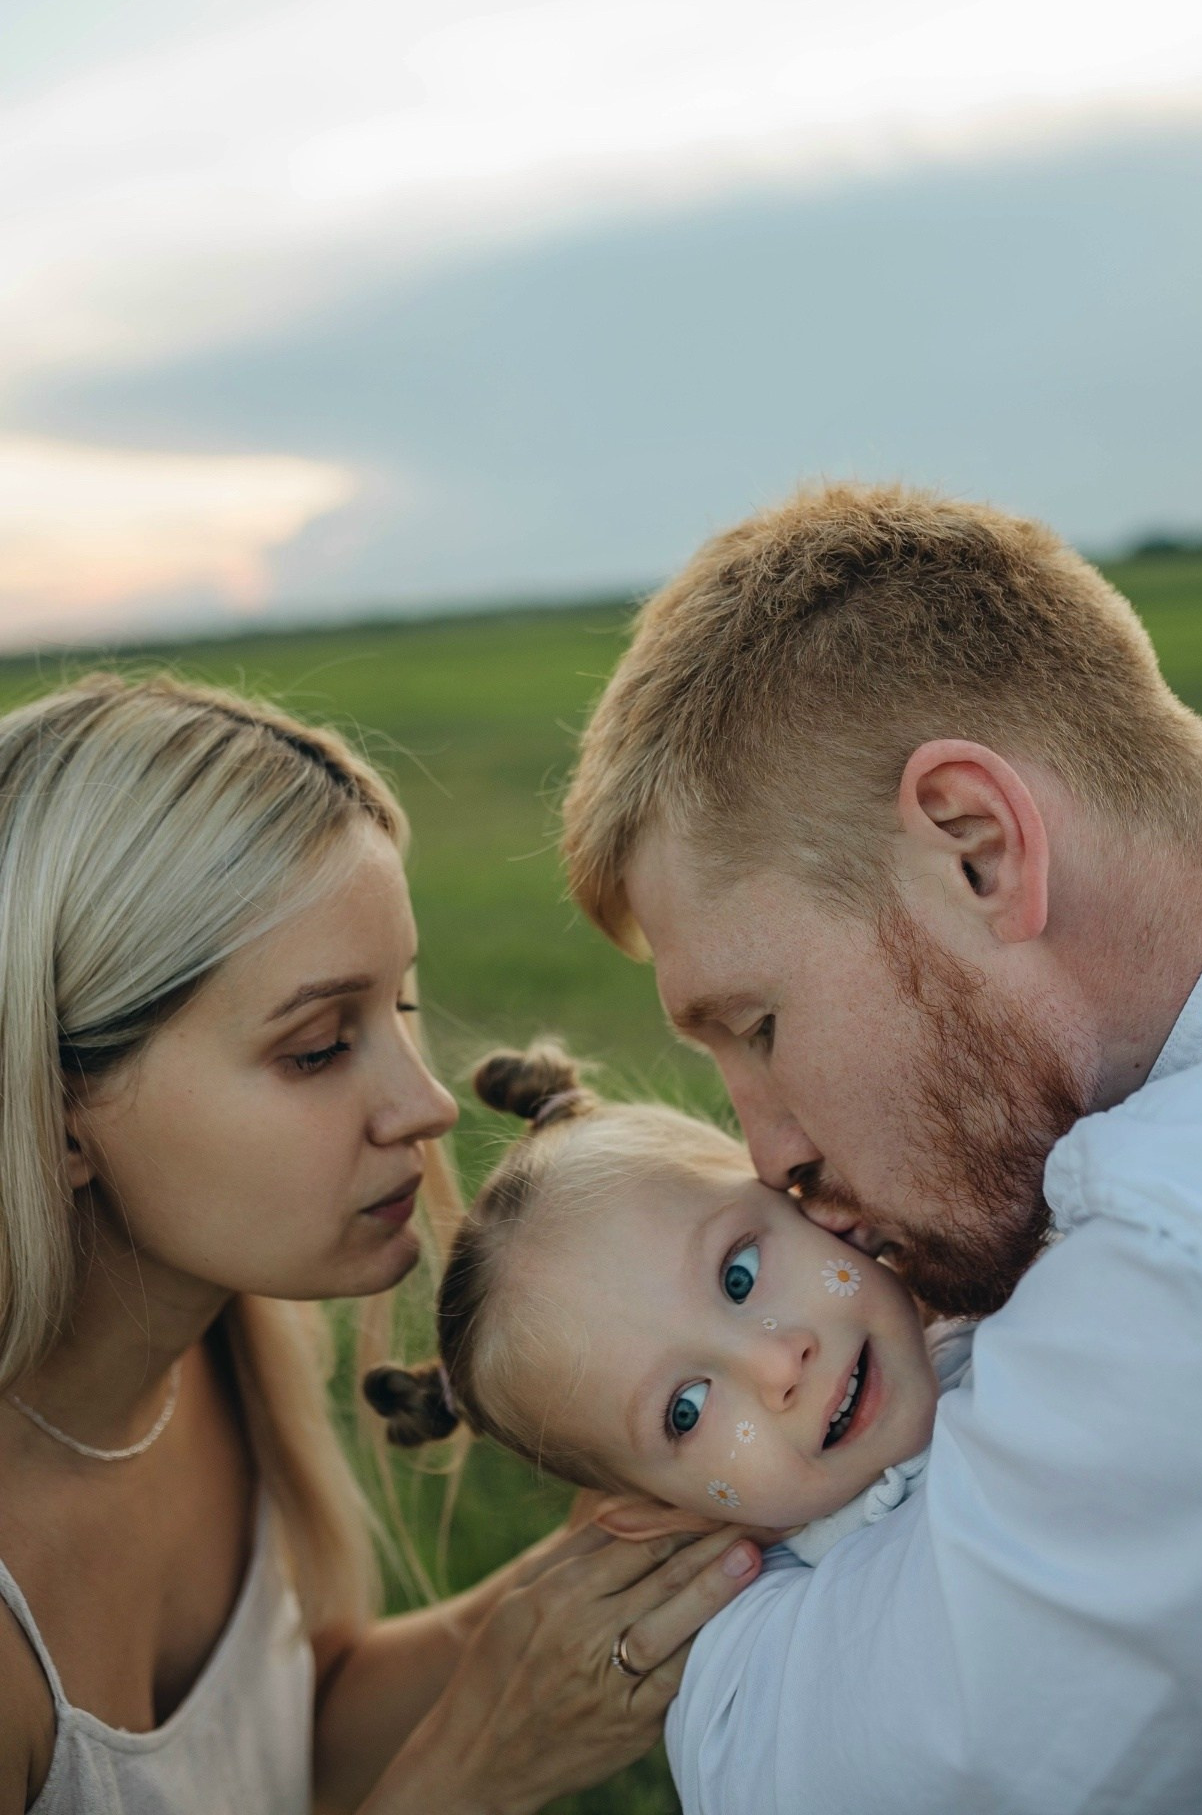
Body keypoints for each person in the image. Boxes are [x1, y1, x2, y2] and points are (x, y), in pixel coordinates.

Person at [560, 482, 1202, 1814]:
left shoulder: (1199, 1263)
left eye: (760, 1026)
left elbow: (812, 1777)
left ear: (974, 844)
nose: (768, 1155)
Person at [0, 674, 762, 1815]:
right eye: (315, 1047)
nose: (424, 1104)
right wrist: (473, 1777)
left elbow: (276, 1745)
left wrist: (606, 1564)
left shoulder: (221, 1341)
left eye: (398, 1007)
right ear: (57, 1117)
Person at [364, 1041, 973, 1554]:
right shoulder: (785, 1650)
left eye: (740, 1275)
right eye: (687, 1408)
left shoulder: (1032, 1276)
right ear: (663, 1514)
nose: (777, 1365)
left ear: (815, 1205)